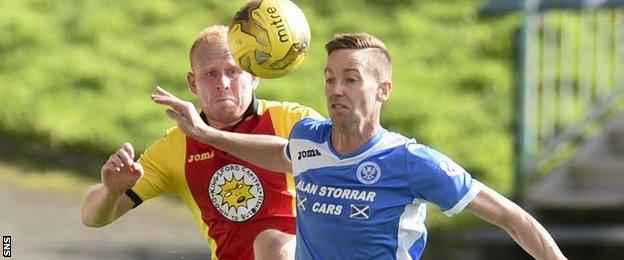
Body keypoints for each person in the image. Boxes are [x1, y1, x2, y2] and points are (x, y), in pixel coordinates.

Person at [152, 33, 566, 259]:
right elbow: (279, 153)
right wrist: (203, 133)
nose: (336, 89)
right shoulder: (310, 141)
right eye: (329, 79)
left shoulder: (410, 162)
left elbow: (513, 218)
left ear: (383, 89)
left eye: (351, 79)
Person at [80, 25, 322, 260]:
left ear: (254, 76)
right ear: (193, 83)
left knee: (274, 246)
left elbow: (350, 168)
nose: (223, 83)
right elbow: (92, 218)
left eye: (233, 71)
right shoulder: (175, 147)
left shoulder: (295, 121)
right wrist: (111, 193)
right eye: (210, 73)